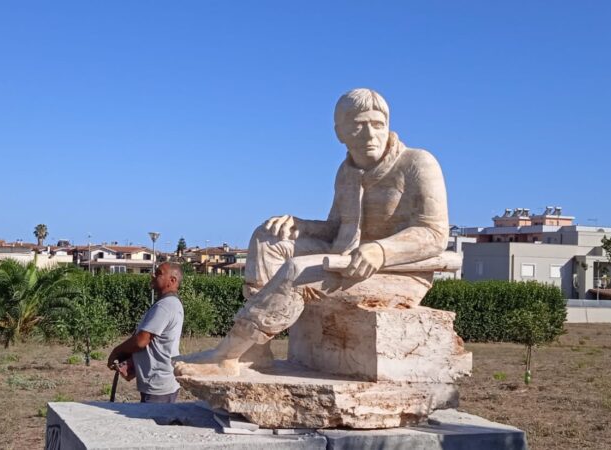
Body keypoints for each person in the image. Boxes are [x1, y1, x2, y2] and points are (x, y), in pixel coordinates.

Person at [175, 88, 449, 377]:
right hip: (345, 263)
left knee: (298, 269)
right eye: (358, 124)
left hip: (396, 272)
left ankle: (227, 355)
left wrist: (381, 250)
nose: (370, 134)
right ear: (340, 132)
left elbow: (434, 233)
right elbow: (337, 229)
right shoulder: (347, 172)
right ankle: (255, 349)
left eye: (377, 124)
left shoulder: (418, 163)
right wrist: (300, 225)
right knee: (267, 237)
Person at [108, 262, 184, 403]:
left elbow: (141, 341)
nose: (153, 275)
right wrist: (131, 361)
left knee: (154, 424)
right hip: (159, 381)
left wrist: (117, 351)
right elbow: (154, 344)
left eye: (159, 273)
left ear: (172, 281)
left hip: (158, 385)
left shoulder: (165, 306)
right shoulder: (170, 303)